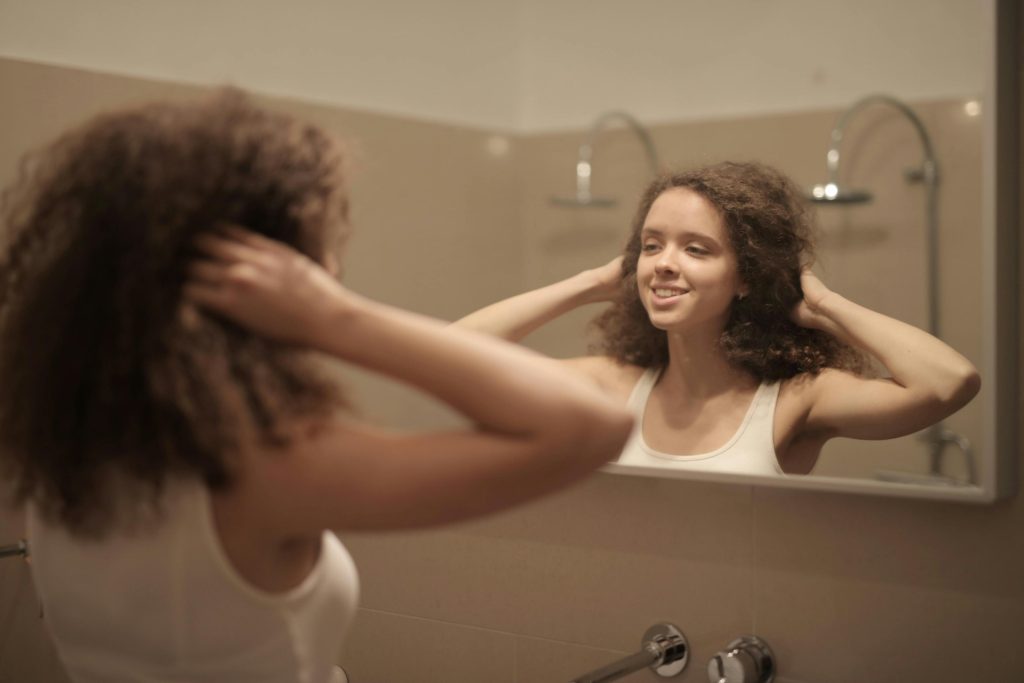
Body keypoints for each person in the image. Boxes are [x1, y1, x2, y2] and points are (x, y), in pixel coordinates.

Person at [0, 90, 633, 683]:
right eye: (324, 247)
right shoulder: (260, 467)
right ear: (276, 272)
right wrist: (335, 317)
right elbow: (589, 426)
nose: (333, 267)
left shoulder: (46, 431)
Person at [456, 161, 981, 476]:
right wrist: (589, 285)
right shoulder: (615, 386)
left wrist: (823, 307)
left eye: (697, 249)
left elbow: (950, 382)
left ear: (746, 276)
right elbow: (452, 355)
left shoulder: (797, 400)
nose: (664, 262)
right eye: (651, 245)